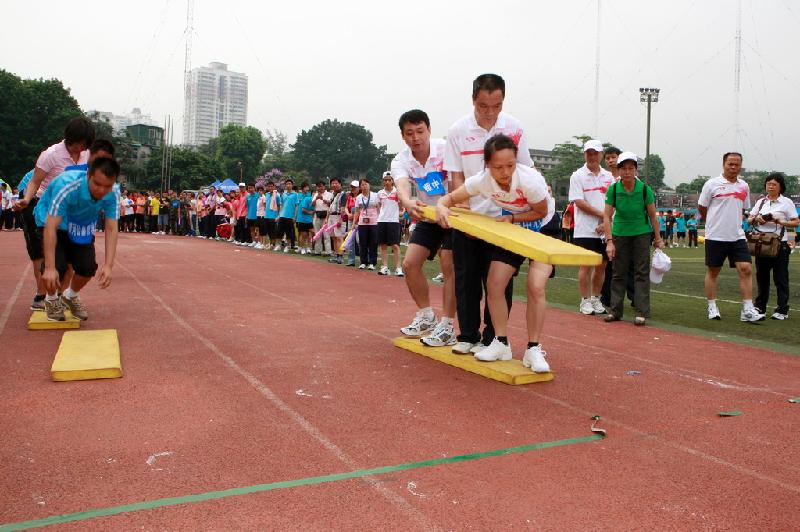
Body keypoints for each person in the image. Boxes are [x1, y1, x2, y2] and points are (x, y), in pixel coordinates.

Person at [436, 134, 551, 372]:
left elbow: (540, 211)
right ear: (487, 165)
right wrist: (440, 207)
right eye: (499, 167)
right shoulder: (481, 181)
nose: (506, 172)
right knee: (495, 283)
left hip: (543, 228)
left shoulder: (530, 181)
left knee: (535, 286)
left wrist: (513, 217)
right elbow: (449, 198)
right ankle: (501, 342)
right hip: (512, 228)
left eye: (510, 165)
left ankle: (533, 349)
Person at [444, 73, 532, 354]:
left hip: (503, 217)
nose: (490, 112)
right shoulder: (458, 130)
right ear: (473, 100)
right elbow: (456, 176)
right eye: (483, 106)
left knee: (498, 280)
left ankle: (495, 338)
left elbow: (525, 169)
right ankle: (467, 335)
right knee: (466, 277)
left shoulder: (514, 127)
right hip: (469, 215)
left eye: (496, 106)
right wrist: (464, 211)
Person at [391, 109, 457, 346]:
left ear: (429, 129)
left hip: (454, 215)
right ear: (403, 136)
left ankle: (448, 326)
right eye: (409, 133)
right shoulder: (401, 159)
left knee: (449, 264)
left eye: (420, 131)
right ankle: (426, 315)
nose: (416, 138)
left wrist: (449, 205)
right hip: (428, 215)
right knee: (409, 264)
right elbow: (401, 184)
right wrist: (407, 201)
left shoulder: (445, 149)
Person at [36, 157, 121, 321]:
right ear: (88, 175)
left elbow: (111, 227)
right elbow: (51, 226)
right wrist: (50, 267)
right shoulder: (67, 186)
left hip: (80, 223)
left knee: (87, 267)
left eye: (107, 186)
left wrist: (109, 265)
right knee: (56, 268)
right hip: (52, 220)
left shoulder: (113, 192)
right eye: (97, 184)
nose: (101, 191)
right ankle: (52, 300)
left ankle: (70, 296)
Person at [698, 152, 764, 322]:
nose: (733, 167)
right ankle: (712, 306)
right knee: (713, 271)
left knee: (746, 268)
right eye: (730, 164)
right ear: (723, 164)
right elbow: (702, 207)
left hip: (737, 236)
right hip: (715, 236)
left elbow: (743, 209)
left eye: (737, 164)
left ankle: (747, 310)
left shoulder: (744, 186)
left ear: (741, 166)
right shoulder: (711, 184)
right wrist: (712, 222)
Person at [602, 152, 664, 325]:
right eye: (624, 168)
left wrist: (658, 238)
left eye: (631, 168)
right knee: (618, 273)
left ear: (636, 170)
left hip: (641, 235)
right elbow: (606, 216)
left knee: (641, 273)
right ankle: (615, 311)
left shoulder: (645, 189)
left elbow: (653, 216)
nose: (627, 172)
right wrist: (609, 241)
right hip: (620, 234)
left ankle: (641, 312)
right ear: (619, 170)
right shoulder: (613, 189)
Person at [568, 139, 614, 315]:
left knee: (601, 266)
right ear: (584, 154)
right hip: (585, 229)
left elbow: (614, 202)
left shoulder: (609, 177)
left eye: (596, 153)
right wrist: (602, 216)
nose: (592, 156)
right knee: (586, 266)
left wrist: (606, 221)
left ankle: (595, 298)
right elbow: (579, 202)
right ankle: (584, 300)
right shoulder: (577, 176)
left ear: (601, 155)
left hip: (605, 228)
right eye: (589, 153)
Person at [747, 173, 799, 320]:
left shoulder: (786, 202)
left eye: (774, 184)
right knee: (762, 277)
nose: (770, 186)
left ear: (780, 186)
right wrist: (756, 218)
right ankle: (760, 307)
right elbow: (750, 219)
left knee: (780, 278)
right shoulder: (761, 201)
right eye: (768, 183)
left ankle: (782, 309)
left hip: (779, 244)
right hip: (762, 244)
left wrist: (780, 222)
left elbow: (796, 222)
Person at [377, 172, 403, 276]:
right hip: (382, 220)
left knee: (395, 245)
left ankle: (398, 268)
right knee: (383, 245)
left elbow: (402, 206)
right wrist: (381, 215)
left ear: (392, 181)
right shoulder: (380, 193)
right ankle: (385, 267)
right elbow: (379, 206)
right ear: (383, 181)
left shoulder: (398, 192)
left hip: (393, 221)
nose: (387, 182)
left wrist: (401, 212)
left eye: (389, 180)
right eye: (385, 180)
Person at [353, 179, 379, 270]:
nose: (364, 186)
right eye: (362, 185)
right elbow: (357, 211)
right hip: (362, 222)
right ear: (360, 187)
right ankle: (363, 262)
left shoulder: (375, 196)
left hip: (374, 222)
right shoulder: (359, 197)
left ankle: (372, 262)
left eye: (366, 184)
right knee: (362, 242)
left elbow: (379, 208)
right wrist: (354, 223)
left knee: (373, 243)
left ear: (369, 185)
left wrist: (379, 219)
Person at [326, 178, 347, 264]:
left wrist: (340, 219)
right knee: (334, 237)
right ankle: (336, 255)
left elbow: (343, 208)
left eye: (336, 183)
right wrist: (327, 219)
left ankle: (340, 256)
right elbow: (329, 208)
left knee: (339, 237)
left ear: (340, 184)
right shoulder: (332, 194)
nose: (334, 185)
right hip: (331, 216)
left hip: (338, 216)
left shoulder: (343, 195)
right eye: (333, 183)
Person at [276, 179, 298, 252]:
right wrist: (279, 215)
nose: (288, 185)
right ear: (285, 185)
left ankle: (287, 246)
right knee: (279, 231)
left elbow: (296, 206)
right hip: (282, 215)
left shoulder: (295, 194)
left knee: (289, 232)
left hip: (290, 216)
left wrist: (294, 217)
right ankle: (278, 245)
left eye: (290, 184)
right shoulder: (283, 194)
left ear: (292, 185)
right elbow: (282, 205)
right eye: (287, 184)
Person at [312, 181, 333, 255]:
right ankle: (318, 251)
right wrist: (316, 199)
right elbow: (312, 204)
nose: (319, 188)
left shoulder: (329, 194)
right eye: (318, 186)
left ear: (324, 186)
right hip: (317, 214)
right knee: (317, 234)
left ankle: (328, 251)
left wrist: (322, 198)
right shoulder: (316, 194)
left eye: (320, 186)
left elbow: (331, 204)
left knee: (326, 234)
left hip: (326, 215)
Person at [296, 182, 314, 254]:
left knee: (309, 234)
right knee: (302, 234)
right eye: (306, 187)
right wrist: (295, 217)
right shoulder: (299, 195)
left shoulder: (309, 195)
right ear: (302, 188)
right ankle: (301, 248)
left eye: (308, 187)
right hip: (300, 218)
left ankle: (308, 247)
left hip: (308, 218)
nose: (307, 189)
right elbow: (297, 206)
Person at [264, 181, 281, 249]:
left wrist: (278, 216)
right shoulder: (267, 194)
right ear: (267, 187)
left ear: (274, 187)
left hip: (274, 216)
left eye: (272, 186)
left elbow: (279, 206)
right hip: (267, 216)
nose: (270, 187)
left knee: (274, 231)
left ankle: (274, 244)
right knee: (268, 231)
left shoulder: (277, 195)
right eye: (269, 186)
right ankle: (270, 243)